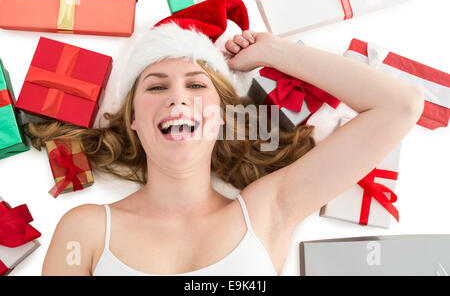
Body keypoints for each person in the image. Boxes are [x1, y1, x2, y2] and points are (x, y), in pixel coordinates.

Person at [28, 17, 423, 275]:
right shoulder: (87, 229)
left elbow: (401, 106)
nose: (177, 98)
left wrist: (274, 52)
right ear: (133, 119)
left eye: (197, 85)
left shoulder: (269, 210)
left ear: (220, 117)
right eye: (156, 85)